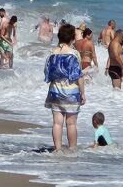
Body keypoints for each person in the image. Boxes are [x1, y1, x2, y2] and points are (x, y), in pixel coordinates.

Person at [44, 23, 85, 151]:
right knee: (71, 124)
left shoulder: (52, 52)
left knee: (57, 123)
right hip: (71, 91)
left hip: (55, 90)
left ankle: (58, 149)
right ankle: (72, 149)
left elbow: (47, 72)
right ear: (72, 38)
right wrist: (82, 93)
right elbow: (78, 75)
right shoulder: (74, 54)